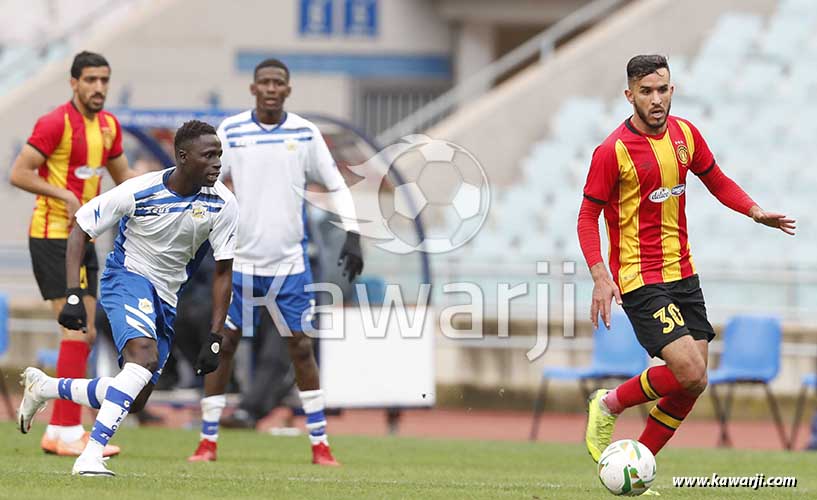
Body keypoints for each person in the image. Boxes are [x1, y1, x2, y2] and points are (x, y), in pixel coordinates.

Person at [579, 55, 795, 465]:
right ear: (630, 96)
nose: (656, 99)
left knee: (693, 384)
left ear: (672, 89)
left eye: (663, 89)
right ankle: (608, 404)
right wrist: (599, 275)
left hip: (684, 274)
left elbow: (716, 179)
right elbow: (587, 216)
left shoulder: (685, 135)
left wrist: (753, 210)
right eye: (646, 92)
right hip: (639, 278)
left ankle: (636, 467)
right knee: (691, 373)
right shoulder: (612, 151)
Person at [16, 120, 238, 476]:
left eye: (219, 155)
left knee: (133, 398)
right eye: (208, 155)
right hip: (127, 280)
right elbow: (82, 227)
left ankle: (46, 387)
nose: (217, 163)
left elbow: (224, 272)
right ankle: (90, 456)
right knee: (142, 358)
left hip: (167, 297)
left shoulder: (223, 204)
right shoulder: (138, 190)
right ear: (182, 157)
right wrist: (74, 292)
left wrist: (215, 335)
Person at [187, 58, 363, 465]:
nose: (269, 88)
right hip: (241, 264)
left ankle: (320, 445)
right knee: (223, 344)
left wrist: (353, 233)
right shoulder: (232, 131)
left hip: (290, 265)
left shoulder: (304, 133)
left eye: (277, 83)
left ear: (287, 89)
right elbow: (206, 180)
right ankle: (207, 441)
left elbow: (334, 182)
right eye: (263, 82)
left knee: (301, 348)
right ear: (253, 89)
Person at [9, 50, 134, 457]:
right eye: (91, 80)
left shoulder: (110, 126)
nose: (98, 88)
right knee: (75, 329)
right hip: (52, 238)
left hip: (86, 239)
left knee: (89, 332)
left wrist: (165, 189)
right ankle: (63, 431)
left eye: (104, 80)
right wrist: (60, 192)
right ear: (74, 83)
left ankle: (61, 430)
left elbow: (124, 179)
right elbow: (19, 172)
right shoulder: (54, 122)